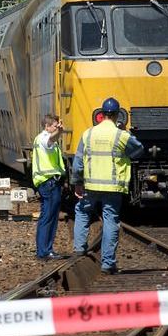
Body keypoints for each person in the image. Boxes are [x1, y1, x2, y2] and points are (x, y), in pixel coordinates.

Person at [71, 97, 143, 275]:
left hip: (91, 185)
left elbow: (78, 161)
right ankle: (107, 264)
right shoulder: (121, 135)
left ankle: (79, 248)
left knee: (82, 211)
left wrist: (77, 182)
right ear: (118, 115)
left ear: (101, 114)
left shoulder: (88, 134)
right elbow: (139, 150)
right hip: (112, 187)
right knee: (110, 220)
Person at [31, 114, 66, 261]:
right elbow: (50, 140)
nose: (55, 128)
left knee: (49, 216)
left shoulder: (42, 139)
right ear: (47, 126)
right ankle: (45, 251)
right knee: (48, 217)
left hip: (49, 182)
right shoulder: (44, 138)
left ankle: (44, 249)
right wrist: (59, 132)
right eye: (54, 125)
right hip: (48, 182)